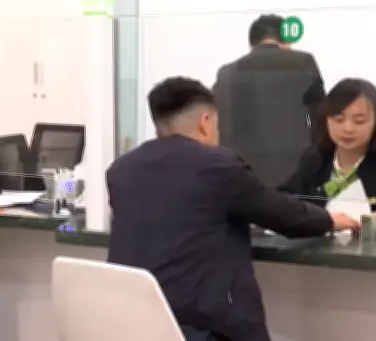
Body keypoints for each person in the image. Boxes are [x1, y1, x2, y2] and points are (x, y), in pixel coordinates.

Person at [107, 77, 360, 341]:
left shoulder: (121, 170)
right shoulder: (217, 166)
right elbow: (281, 215)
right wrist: (330, 220)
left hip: (134, 325)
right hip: (201, 328)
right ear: (205, 121)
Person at [213, 14, 325, 188]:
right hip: (294, 178)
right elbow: (323, 119)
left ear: (251, 44)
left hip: (238, 180)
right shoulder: (302, 62)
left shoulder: (226, 73)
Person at [280, 78, 376, 209]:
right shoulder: (315, 161)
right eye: (339, 119)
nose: (347, 128)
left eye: (359, 121)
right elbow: (285, 200)